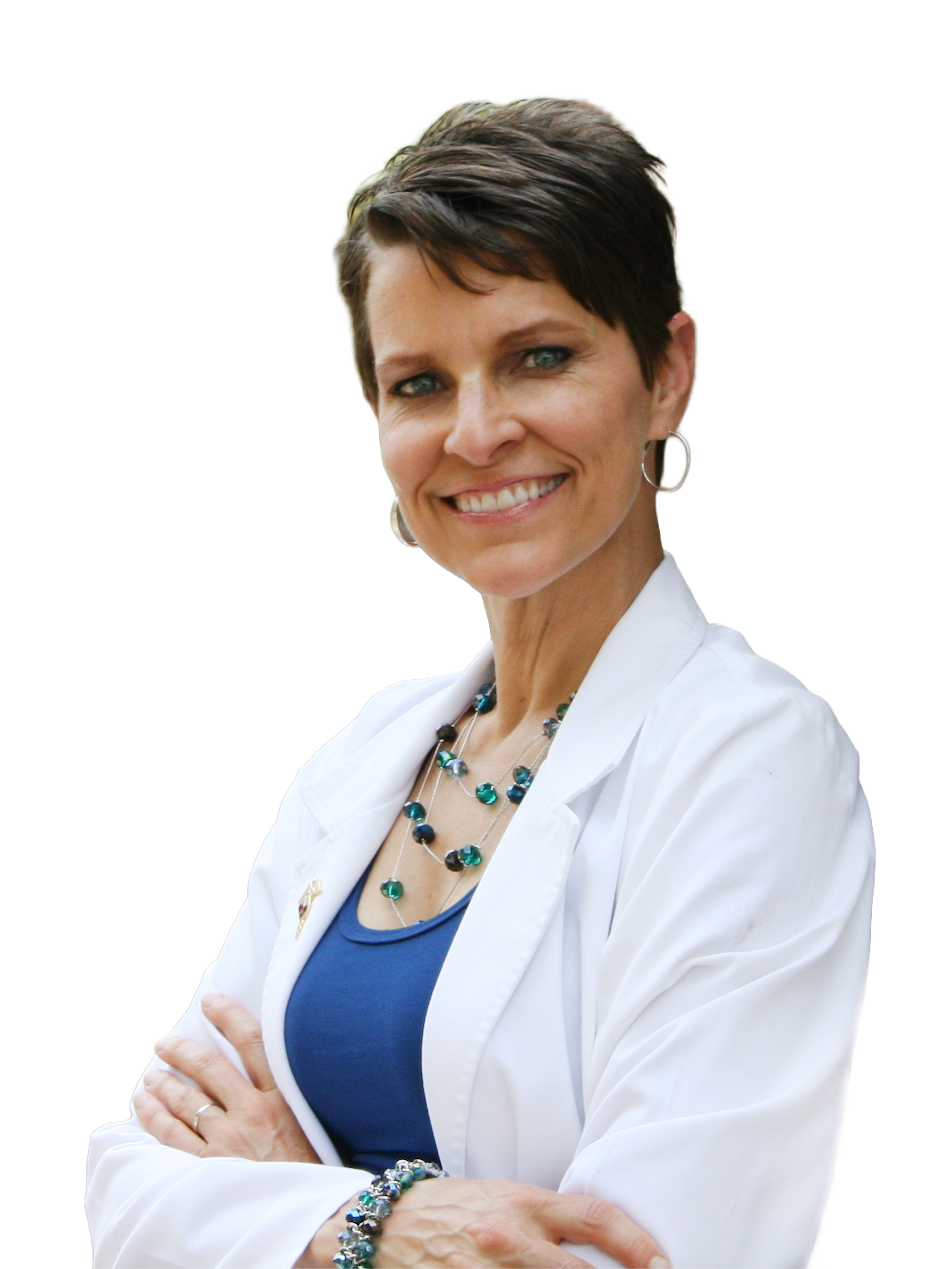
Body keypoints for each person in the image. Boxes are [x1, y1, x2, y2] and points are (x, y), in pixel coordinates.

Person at [85, 96, 874, 1269]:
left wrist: (290, 1212)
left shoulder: (752, 759)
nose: (475, 431)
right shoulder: (369, 750)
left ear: (665, 373)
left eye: (537, 357)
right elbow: (129, 1184)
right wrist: (371, 1226)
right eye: (417, 384)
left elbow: (651, 1251)